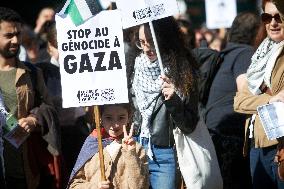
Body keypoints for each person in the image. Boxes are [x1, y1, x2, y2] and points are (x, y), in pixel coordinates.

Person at [128, 16, 199, 189]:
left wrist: (174, 100)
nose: (146, 48)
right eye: (142, 42)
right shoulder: (133, 66)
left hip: (164, 154)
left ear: (165, 39)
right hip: (134, 148)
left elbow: (189, 125)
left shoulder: (182, 70)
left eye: (152, 41)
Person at [0, 7, 61, 189]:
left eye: (18, 34)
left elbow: (49, 108)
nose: (16, 40)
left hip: (26, 170)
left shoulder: (33, 73)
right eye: (9, 35)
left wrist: (34, 119)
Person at [204, 12, 260, 189]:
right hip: (229, 135)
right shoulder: (245, 53)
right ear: (256, 33)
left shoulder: (227, 53)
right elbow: (245, 91)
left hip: (213, 130)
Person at [234, 1, 284, 188]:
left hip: (279, 146)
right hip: (256, 143)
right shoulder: (260, 55)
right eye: (267, 17)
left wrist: (253, 101)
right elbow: (239, 102)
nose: (273, 23)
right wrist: (270, 99)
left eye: (278, 17)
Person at [68, 103, 149, 189]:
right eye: (108, 118)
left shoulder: (136, 148)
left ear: (129, 118)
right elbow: (74, 185)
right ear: (100, 118)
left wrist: (131, 155)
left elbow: (141, 186)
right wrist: (95, 187)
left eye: (121, 118)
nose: (115, 125)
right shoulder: (92, 144)